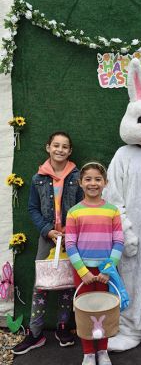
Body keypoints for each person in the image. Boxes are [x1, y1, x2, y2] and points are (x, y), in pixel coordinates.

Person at [12, 131, 84, 355]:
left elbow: (83, 206)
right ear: (48, 148)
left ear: (70, 151)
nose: (60, 150)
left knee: (67, 284)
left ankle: (63, 327)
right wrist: (47, 230)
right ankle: (35, 333)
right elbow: (33, 208)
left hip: (71, 238)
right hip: (48, 238)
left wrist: (70, 233)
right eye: (56, 145)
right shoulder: (38, 178)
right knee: (41, 285)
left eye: (64, 146)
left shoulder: (77, 175)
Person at [65, 162, 124, 365]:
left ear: (105, 183)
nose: (93, 183)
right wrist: (83, 272)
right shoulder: (74, 212)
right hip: (83, 272)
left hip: (106, 271)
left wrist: (108, 270)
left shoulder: (112, 211)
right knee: (85, 311)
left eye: (98, 179)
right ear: (80, 183)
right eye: (88, 179)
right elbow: (70, 244)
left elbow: (119, 241)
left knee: (105, 310)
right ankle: (89, 352)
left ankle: (103, 351)